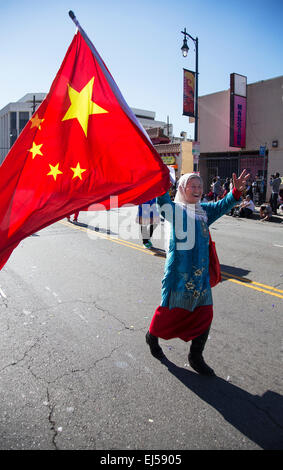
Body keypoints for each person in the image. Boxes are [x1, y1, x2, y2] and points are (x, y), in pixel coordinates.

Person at [145, 170, 249, 376]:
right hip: (179, 275)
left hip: (200, 278)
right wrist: (161, 185)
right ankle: (152, 336)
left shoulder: (203, 211)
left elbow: (222, 205)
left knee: (205, 314)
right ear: (182, 188)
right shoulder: (176, 211)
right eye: (192, 185)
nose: (198, 190)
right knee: (170, 311)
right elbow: (163, 205)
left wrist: (235, 192)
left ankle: (196, 356)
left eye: (200, 186)